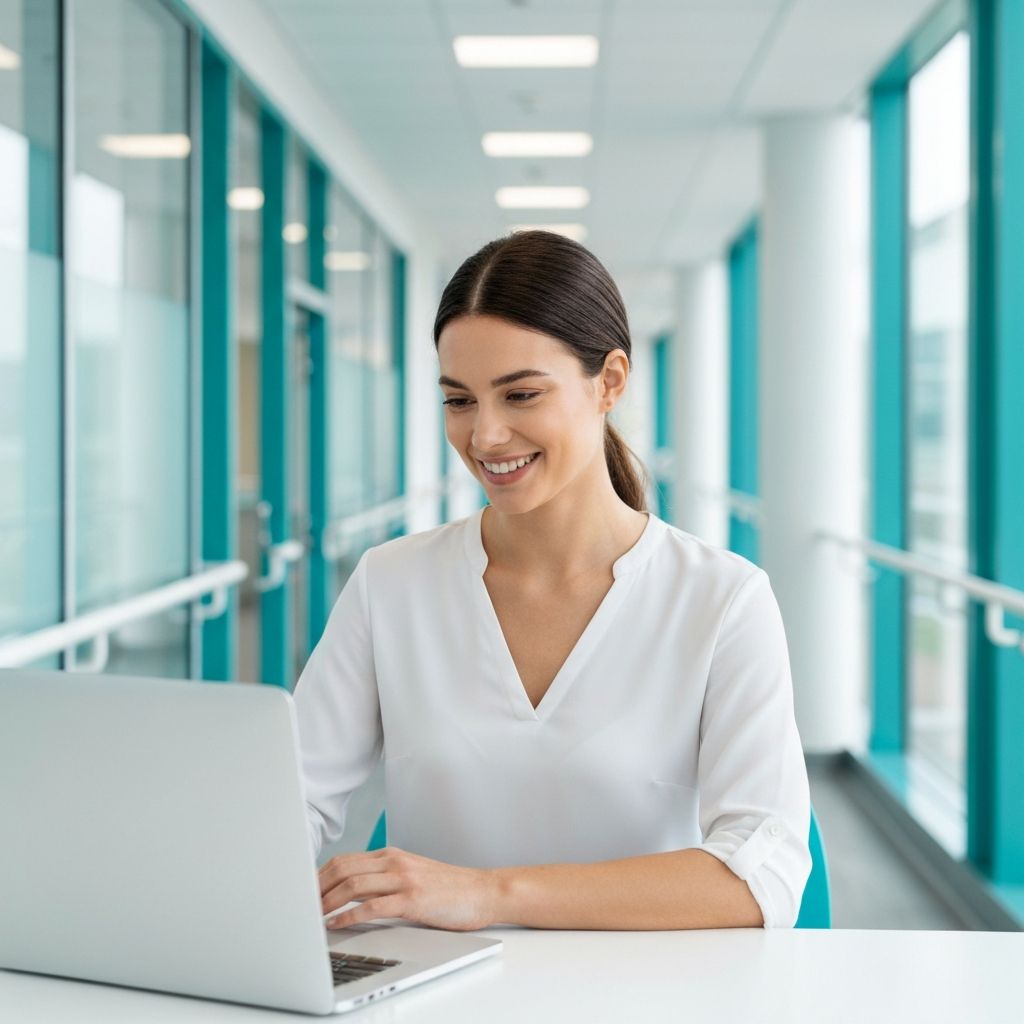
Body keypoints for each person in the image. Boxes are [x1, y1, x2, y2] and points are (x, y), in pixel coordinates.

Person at [293, 230, 812, 933]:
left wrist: (488, 895)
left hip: (646, 993)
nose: (485, 436)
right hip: (437, 994)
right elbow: (293, 800)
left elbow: (763, 876)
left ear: (612, 381)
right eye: (459, 401)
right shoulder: (392, 583)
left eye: (522, 394)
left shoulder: (722, 599)